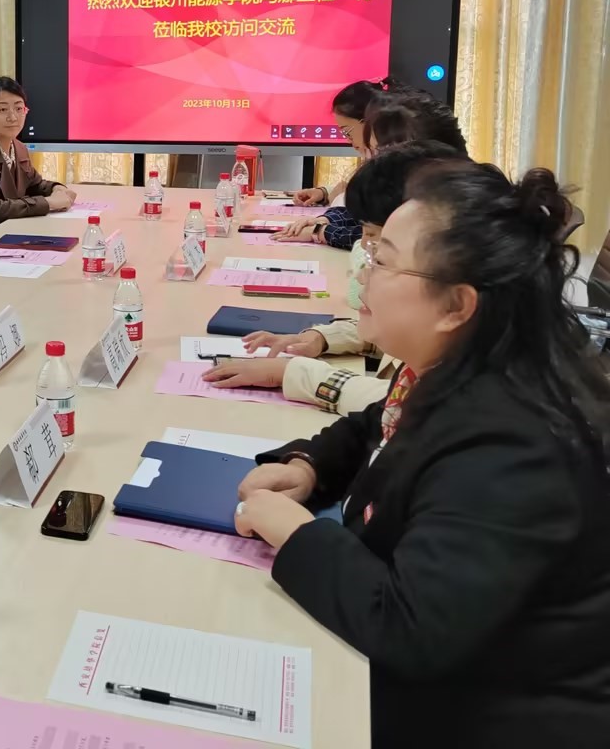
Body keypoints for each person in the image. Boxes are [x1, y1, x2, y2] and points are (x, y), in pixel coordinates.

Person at [233, 163, 610, 746]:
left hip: (494, 714)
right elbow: (375, 423)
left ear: (456, 305)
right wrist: (309, 466)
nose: (362, 271)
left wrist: (296, 533)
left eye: (381, 259)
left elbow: (412, 629)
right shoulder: (458, 364)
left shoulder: (513, 444)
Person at [201, 143, 466, 413]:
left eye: (379, 254)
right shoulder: (433, 329)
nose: (361, 274)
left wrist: (294, 373)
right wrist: (322, 337)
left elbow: (396, 406)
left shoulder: (461, 398)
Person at [277, 92, 468, 249]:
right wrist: (325, 220)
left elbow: (380, 237)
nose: (373, 160)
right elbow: (364, 218)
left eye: (378, 152)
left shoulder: (441, 211)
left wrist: (321, 232)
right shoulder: (408, 184)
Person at [0, 77, 75, 228]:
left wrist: (56, 188)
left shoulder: (19, 147)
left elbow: (34, 185)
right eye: (3, 110)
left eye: (19, 109)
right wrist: (48, 203)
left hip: (14, 229)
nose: (13, 117)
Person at [290, 78, 392, 206]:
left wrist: (338, 199)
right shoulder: (377, 156)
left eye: (347, 132)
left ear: (369, 122)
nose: (348, 140)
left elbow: (364, 210)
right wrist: (324, 192)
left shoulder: (392, 163)